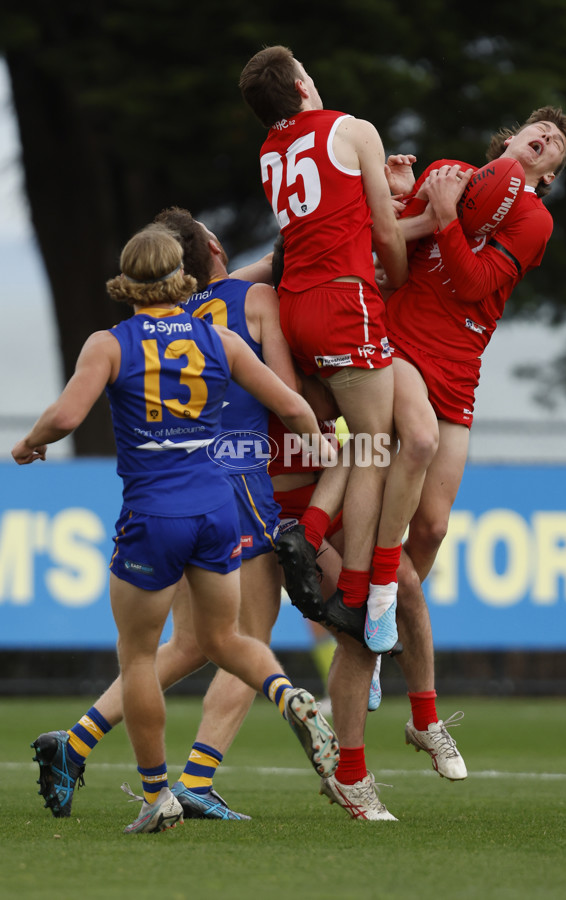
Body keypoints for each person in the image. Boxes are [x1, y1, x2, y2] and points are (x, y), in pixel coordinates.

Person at [14, 223, 339, 834]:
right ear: (180, 276)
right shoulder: (220, 339)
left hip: (153, 517)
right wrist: (331, 465)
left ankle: (160, 795)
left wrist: (30, 444)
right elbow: (294, 407)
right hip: (219, 510)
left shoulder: (109, 344)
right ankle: (287, 693)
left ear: (125, 280)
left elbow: (64, 416)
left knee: (139, 657)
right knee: (224, 639)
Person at [378, 106, 566, 765]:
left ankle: (381, 625)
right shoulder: (450, 173)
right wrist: (405, 191)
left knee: (431, 530)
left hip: (460, 367)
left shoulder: (535, 221)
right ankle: (376, 622)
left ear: (550, 173)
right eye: (540, 130)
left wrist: (440, 221)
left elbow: (472, 282)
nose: (547, 139)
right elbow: (392, 237)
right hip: (403, 343)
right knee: (415, 449)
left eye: (557, 147)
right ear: (512, 139)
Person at [240, 45, 409, 654]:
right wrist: (398, 280)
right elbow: (384, 230)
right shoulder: (352, 127)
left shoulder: (268, 151)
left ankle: (312, 537)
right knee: (377, 443)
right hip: (345, 301)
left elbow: (325, 214)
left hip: (295, 305)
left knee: (344, 433)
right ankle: (350, 582)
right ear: (300, 83)